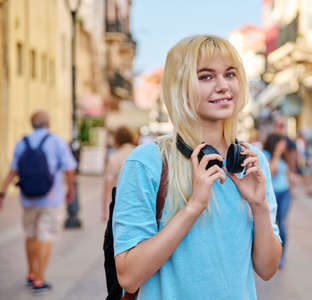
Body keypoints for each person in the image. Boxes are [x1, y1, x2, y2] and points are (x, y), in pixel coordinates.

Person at [113, 35, 281, 299]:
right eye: (206, 76)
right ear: (180, 86)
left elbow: (268, 269)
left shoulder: (251, 163)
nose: (223, 86)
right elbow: (129, 276)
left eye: (230, 74)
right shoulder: (147, 163)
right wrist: (193, 206)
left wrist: (259, 207)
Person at [0, 111, 76, 294]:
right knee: (45, 235)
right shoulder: (56, 142)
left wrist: (2, 192)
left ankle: (31, 273)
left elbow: (13, 170)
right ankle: (40, 281)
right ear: (48, 124)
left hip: (28, 198)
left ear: (31, 124)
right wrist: (71, 189)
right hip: (51, 198)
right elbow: (70, 169)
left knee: (30, 234)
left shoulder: (22, 142)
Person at [263, 133, 289, 269]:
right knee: (272, 224)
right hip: (273, 194)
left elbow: (286, 173)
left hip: (284, 192)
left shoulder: (284, 157)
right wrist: (277, 154)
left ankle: (281, 255)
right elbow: (271, 172)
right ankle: (270, 256)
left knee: (282, 224)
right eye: (281, 143)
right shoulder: (265, 155)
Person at [102, 126, 136, 221]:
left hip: (120, 201)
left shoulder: (114, 157)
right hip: (138, 199)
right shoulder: (140, 152)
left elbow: (108, 185)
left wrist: (104, 209)